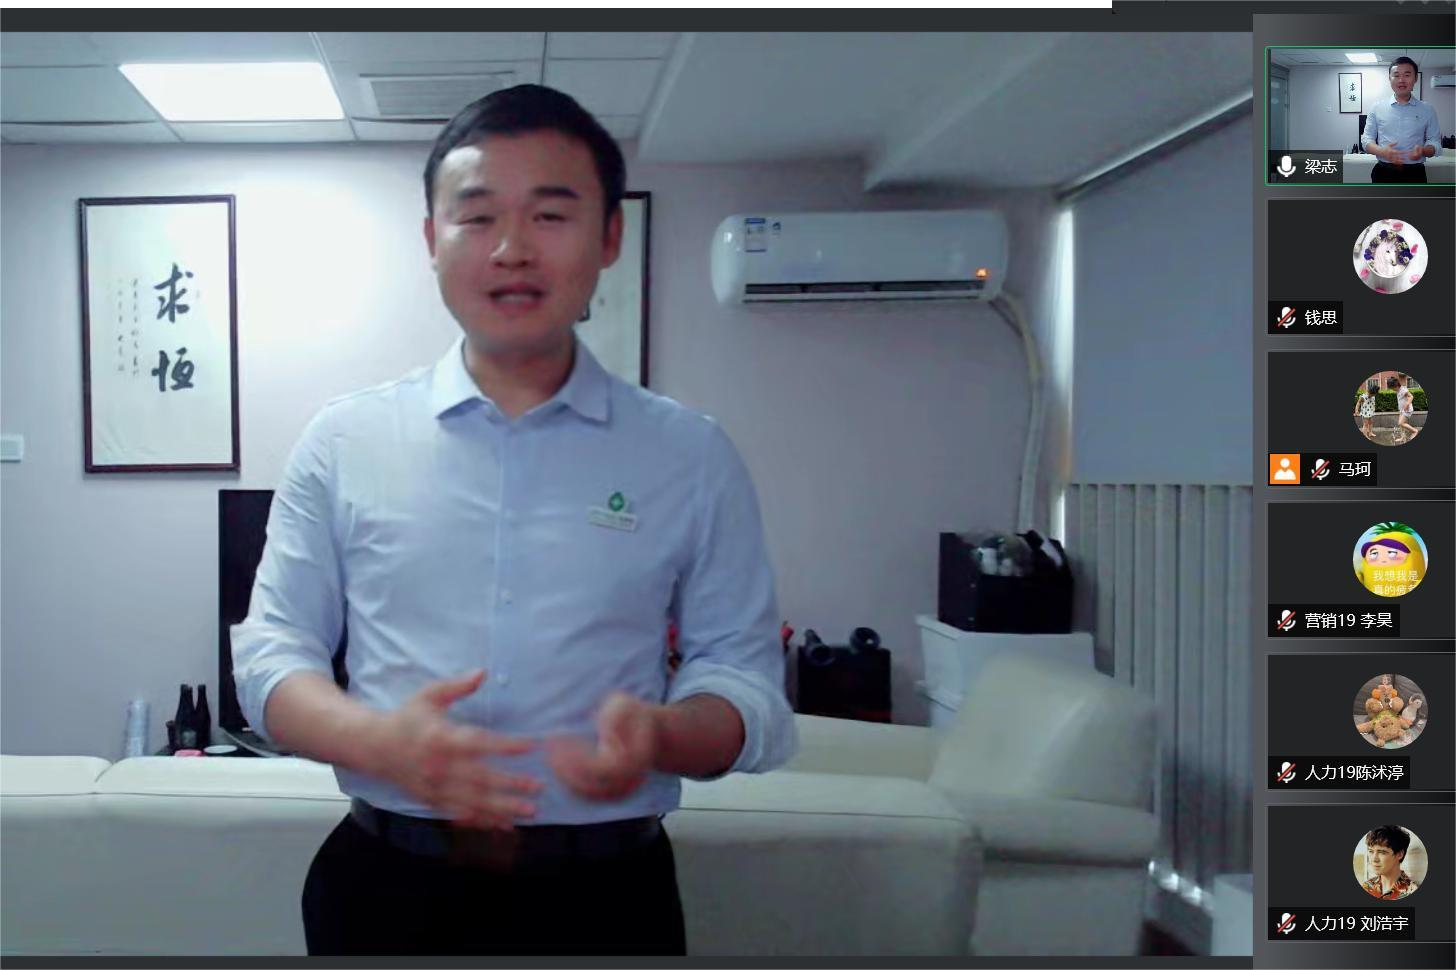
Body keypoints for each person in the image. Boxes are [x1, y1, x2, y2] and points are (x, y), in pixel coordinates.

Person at [230, 84, 798, 956]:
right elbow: (272, 653)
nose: (511, 250)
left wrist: (664, 733)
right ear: (432, 239)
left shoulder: (690, 455)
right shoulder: (343, 442)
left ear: (609, 237)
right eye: (477, 216)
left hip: (608, 902)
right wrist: (380, 742)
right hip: (385, 893)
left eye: (550, 215)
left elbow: (745, 678)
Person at [1360, 57, 1442, 184]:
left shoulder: (1427, 109)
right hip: (1383, 173)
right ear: (1389, 78)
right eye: (1396, 75)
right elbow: (1366, 139)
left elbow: (1435, 141)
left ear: (1415, 78)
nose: (1401, 80)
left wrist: (1423, 151)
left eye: (1407, 75)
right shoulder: (1377, 108)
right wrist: (1382, 151)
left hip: (1415, 174)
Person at [1361, 825, 1420, 899]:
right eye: (1371, 851)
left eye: (1382, 852)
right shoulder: (1367, 887)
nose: (1374, 859)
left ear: (1399, 854)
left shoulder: (1411, 891)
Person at [1394, 374, 1420, 442]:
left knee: (1401, 423)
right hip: (1402, 410)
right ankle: (1402, 437)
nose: (1392, 390)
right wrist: (1401, 409)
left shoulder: (1403, 390)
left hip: (1407, 410)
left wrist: (1407, 404)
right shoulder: (1398, 391)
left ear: (1396, 386)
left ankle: (1415, 431)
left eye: (1392, 388)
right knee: (1401, 425)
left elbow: (1411, 396)